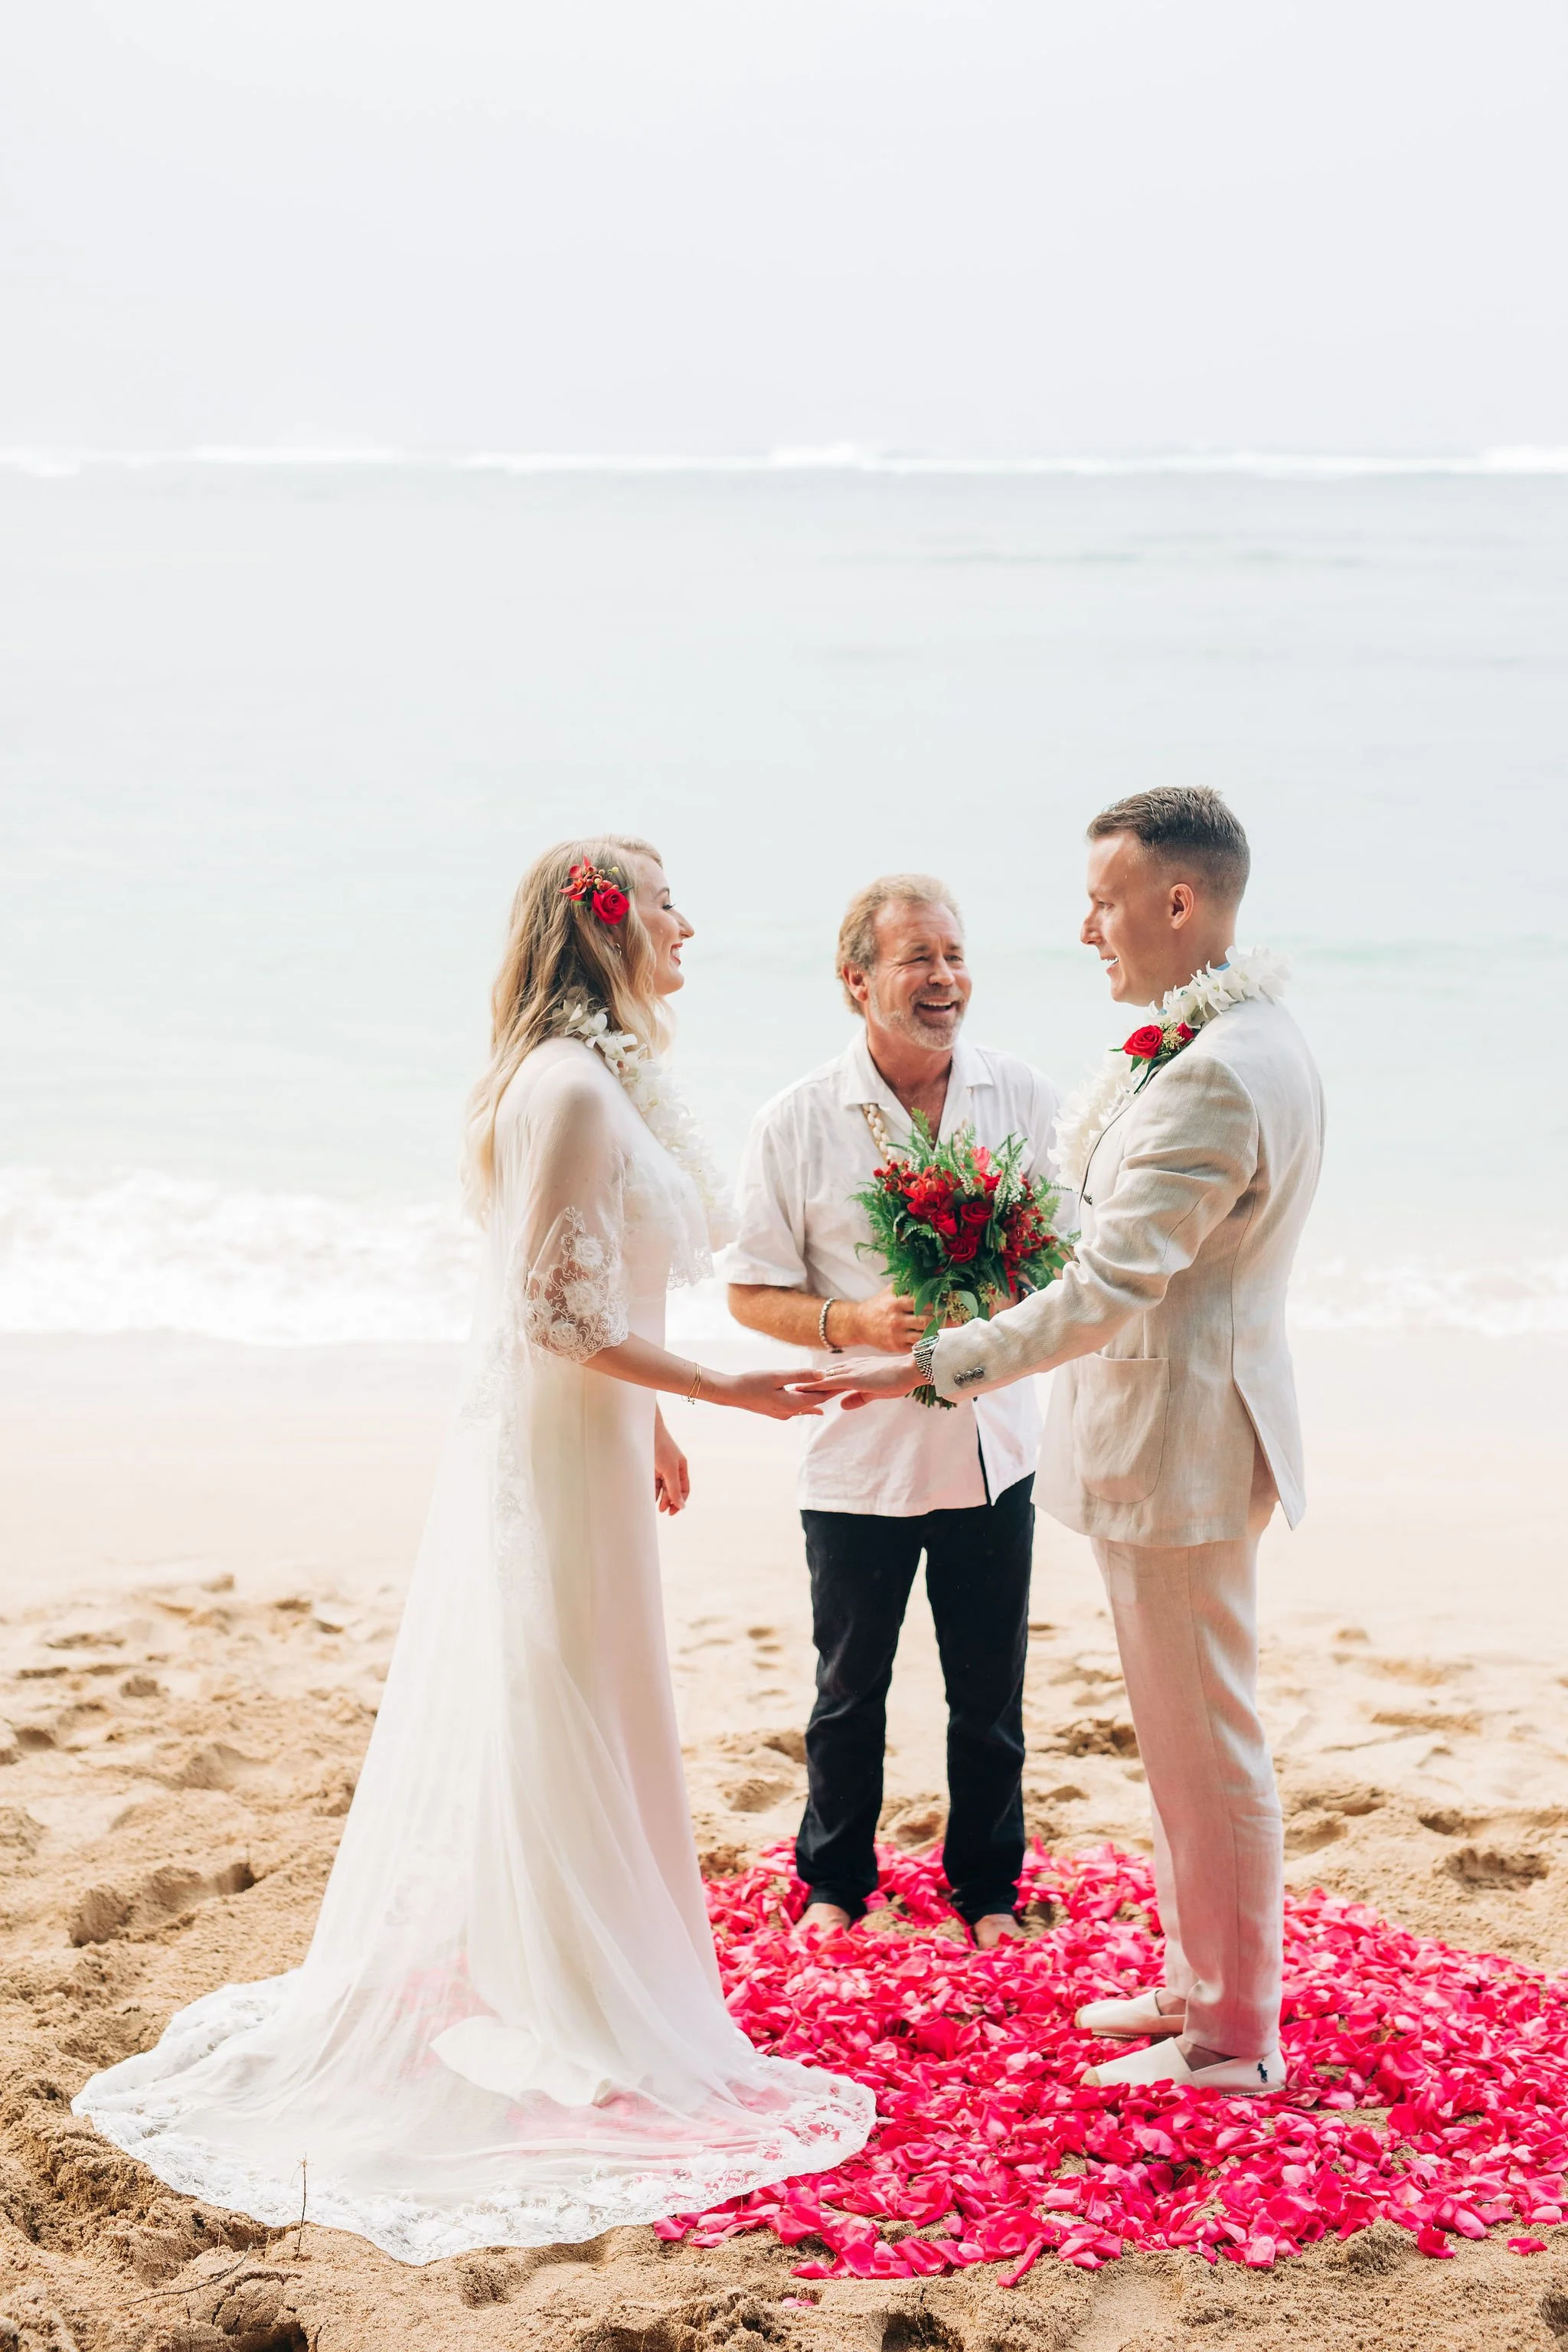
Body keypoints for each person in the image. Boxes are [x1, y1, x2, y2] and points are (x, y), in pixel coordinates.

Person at [73, 835, 872, 2261]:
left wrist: (653, 1426)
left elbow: (586, 1289)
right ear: (608, 925)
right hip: (556, 1454)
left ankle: (568, 1957)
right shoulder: (567, 1087)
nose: (692, 923)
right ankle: (564, 1985)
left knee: (594, 1692)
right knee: (566, 1695)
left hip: (591, 1440)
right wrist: (721, 1392)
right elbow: (550, 1315)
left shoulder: (599, 1075)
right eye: (670, 901)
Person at [799, 792, 1323, 2096]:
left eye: (1105, 899)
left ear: (1179, 903)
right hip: (1187, 1429)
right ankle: (1198, 1983)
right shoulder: (1235, 1038)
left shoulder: (1213, 1075)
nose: (1087, 926)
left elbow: (1106, 1290)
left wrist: (933, 1364)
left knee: (1208, 1740)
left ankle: (1233, 2040)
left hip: (1184, 1441)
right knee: (1178, 1737)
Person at [724, 875, 1061, 1951]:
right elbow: (747, 1288)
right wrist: (850, 1320)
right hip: (857, 1457)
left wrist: (1005, 1304)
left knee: (989, 1697)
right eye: (919, 958)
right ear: (855, 981)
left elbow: (1071, 1263)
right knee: (847, 1695)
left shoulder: (1024, 1099)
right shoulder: (795, 1121)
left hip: (994, 1446)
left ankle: (990, 1893)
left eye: (955, 955)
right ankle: (834, 1882)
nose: (945, 979)